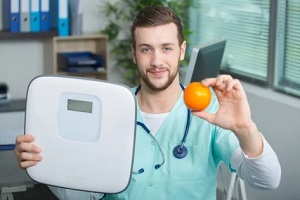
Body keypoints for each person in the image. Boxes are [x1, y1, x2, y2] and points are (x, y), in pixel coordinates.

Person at [14, 5, 281, 200]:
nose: (156, 61)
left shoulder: (209, 111)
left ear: (182, 51)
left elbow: (268, 180)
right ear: (134, 53)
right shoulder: (110, 111)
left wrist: (245, 128)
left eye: (166, 48)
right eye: (146, 49)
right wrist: (45, 164)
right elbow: (83, 196)